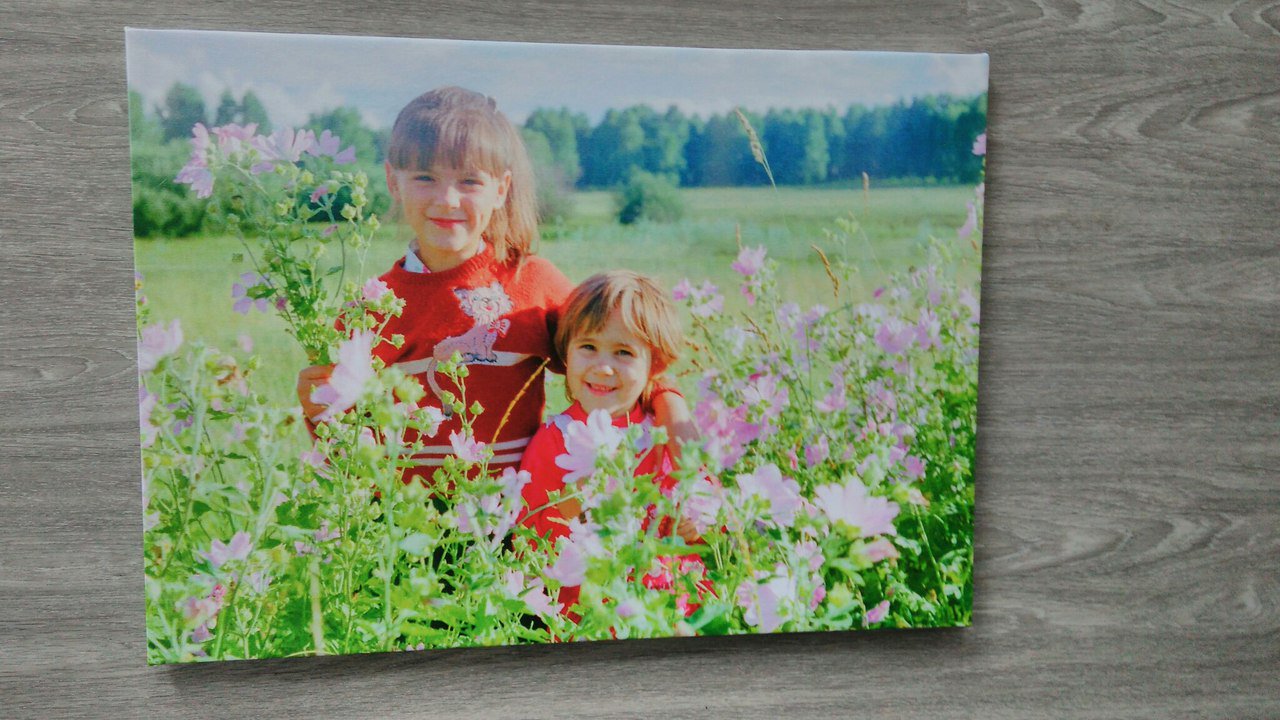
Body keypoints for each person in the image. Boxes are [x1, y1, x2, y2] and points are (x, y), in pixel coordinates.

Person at [296, 87, 691, 481]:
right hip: (403, 516)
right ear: (393, 181)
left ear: (501, 189)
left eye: (469, 181)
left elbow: (617, 356)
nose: (447, 199)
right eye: (425, 177)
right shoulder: (371, 307)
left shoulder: (533, 283)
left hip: (516, 514)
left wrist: (669, 404)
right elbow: (346, 454)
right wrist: (319, 410)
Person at [517, 270, 708, 621]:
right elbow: (529, 540)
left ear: (655, 364)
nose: (603, 368)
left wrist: (696, 527)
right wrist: (573, 506)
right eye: (588, 347)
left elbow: (709, 509)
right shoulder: (556, 439)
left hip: (670, 609)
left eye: (623, 352)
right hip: (590, 616)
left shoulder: (661, 428)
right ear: (566, 352)